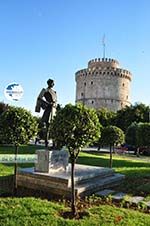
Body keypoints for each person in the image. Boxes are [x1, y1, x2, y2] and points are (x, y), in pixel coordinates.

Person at [35, 79, 57, 147]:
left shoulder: (54, 92)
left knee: (54, 126)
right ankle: (46, 142)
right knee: (47, 127)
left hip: (54, 110)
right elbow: (39, 98)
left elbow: (56, 101)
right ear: (49, 83)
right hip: (48, 109)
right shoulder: (45, 90)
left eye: (53, 83)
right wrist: (47, 103)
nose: (53, 84)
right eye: (52, 83)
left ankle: (54, 143)